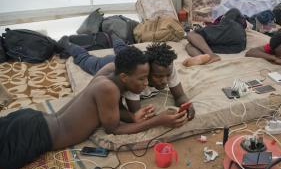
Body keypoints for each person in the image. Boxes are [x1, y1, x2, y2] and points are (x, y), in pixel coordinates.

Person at [0, 47, 189, 169]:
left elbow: (109, 107)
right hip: (38, 134)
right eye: (141, 79)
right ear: (124, 77)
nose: (145, 84)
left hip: (33, 119)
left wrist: (132, 116)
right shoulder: (109, 90)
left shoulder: (110, 71)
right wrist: (159, 120)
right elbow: (114, 129)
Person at [59, 36, 195, 120]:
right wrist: (162, 118)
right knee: (86, 60)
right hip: (114, 62)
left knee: (122, 48)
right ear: (146, 72)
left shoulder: (166, 67)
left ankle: (115, 37)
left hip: (134, 57)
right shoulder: (134, 81)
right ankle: (66, 43)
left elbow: (180, 95)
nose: (165, 81)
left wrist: (186, 106)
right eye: (158, 76)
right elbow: (136, 112)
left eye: (167, 75)